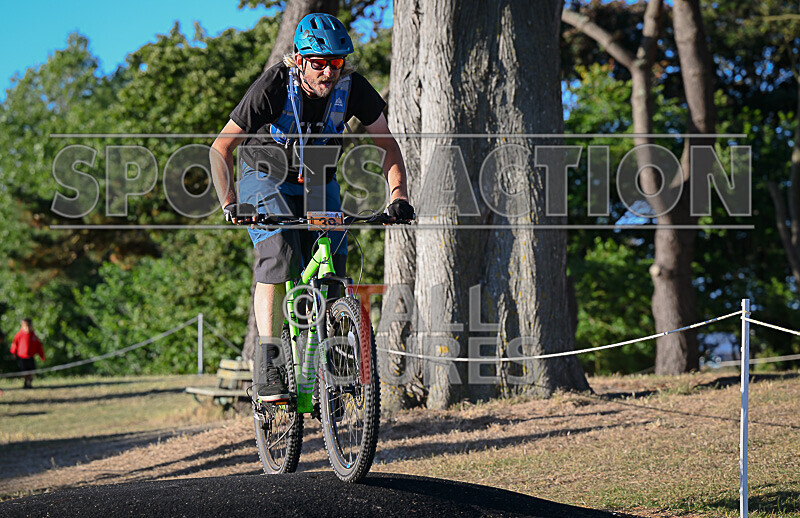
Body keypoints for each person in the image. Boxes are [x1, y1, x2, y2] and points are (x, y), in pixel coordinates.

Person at [210, 13, 414, 404]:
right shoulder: (273, 85)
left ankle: (330, 366)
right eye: (318, 63)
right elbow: (221, 148)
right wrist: (231, 202)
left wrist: (398, 195)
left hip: (318, 179)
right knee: (279, 252)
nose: (327, 72)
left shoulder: (354, 89)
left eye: (335, 63)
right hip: (264, 174)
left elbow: (387, 145)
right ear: (300, 60)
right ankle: (268, 362)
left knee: (334, 262)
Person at [10, 318, 45, 389]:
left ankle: (30, 383)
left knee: (31, 371)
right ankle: (25, 383)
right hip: (22, 357)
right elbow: (14, 344)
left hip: (31, 357)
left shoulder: (33, 335)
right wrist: (13, 353)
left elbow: (39, 346)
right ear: (22, 326)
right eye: (25, 326)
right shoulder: (19, 335)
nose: (27, 328)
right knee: (24, 371)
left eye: (29, 326)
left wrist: (42, 356)